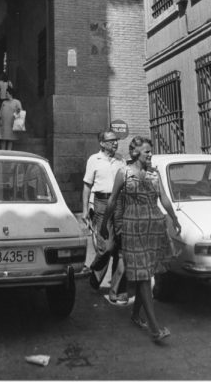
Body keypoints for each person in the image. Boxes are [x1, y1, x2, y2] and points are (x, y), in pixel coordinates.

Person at [100, 136, 182, 343]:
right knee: (144, 276)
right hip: (132, 229)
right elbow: (112, 201)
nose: (150, 155)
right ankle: (155, 329)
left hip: (154, 228)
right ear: (136, 153)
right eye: (147, 152)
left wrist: (174, 218)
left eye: (150, 152)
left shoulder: (154, 174)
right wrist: (104, 224)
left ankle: (136, 315)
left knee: (147, 271)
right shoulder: (124, 173)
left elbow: (163, 198)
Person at [82, 129, 128, 304]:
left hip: (120, 203)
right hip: (101, 203)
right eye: (111, 141)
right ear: (102, 143)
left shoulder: (121, 160)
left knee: (122, 247)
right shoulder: (94, 160)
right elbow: (87, 186)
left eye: (116, 140)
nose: (115, 143)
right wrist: (85, 210)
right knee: (107, 247)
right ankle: (94, 272)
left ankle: (117, 290)